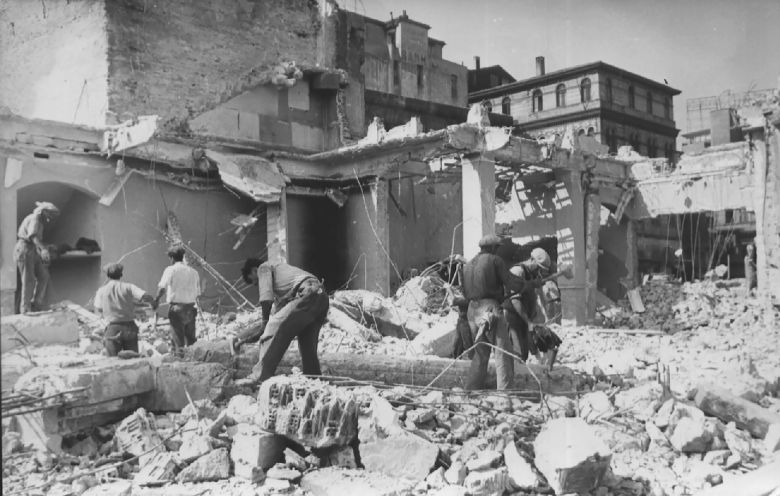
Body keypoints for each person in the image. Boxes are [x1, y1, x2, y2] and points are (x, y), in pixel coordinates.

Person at [233, 258, 329, 387]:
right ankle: (314, 379)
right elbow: (276, 316)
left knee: (273, 328)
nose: (258, 285)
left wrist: (265, 325)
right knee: (307, 344)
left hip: (308, 293)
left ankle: (258, 376)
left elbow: (266, 300)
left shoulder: (264, 267)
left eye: (256, 282)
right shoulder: (283, 285)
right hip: (320, 297)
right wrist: (248, 336)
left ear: (255, 270)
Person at [462, 234, 527, 390]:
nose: (497, 251)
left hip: (472, 311)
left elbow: (464, 292)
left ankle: (470, 390)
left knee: (481, 354)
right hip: (489, 309)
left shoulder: (468, 265)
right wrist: (528, 284)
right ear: (492, 248)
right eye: (497, 248)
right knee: (502, 353)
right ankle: (505, 395)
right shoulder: (495, 260)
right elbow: (511, 282)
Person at [93, 263, 155, 356]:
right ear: (121, 275)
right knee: (132, 359)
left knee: (113, 360)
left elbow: (99, 309)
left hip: (112, 328)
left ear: (107, 276)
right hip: (129, 327)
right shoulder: (129, 287)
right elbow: (146, 297)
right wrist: (153, 302)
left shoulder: (101, 290)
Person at [155, 246, 201, 355]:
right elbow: (198, 294)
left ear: (171, 258)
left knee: (178, 342)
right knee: (191, 340)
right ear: (182, 256)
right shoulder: (194, 272)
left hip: (177, 309)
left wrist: (156, 300)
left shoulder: (170, 270)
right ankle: (193, 361)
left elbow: (162, 288)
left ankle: (180, 362)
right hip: (191, 309)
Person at [14, 202, 59, 313]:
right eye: (50, 214)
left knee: (44, 276)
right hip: (24, 248)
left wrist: (45, 247)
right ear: (44, 211)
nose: (51, 217)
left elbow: (36, 241)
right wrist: (43, 250)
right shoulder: (35, 218)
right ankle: (25, 309)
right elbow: (33, 236)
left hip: (32, 249)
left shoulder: (40, 222)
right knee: (28, 280)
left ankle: (36, 305)